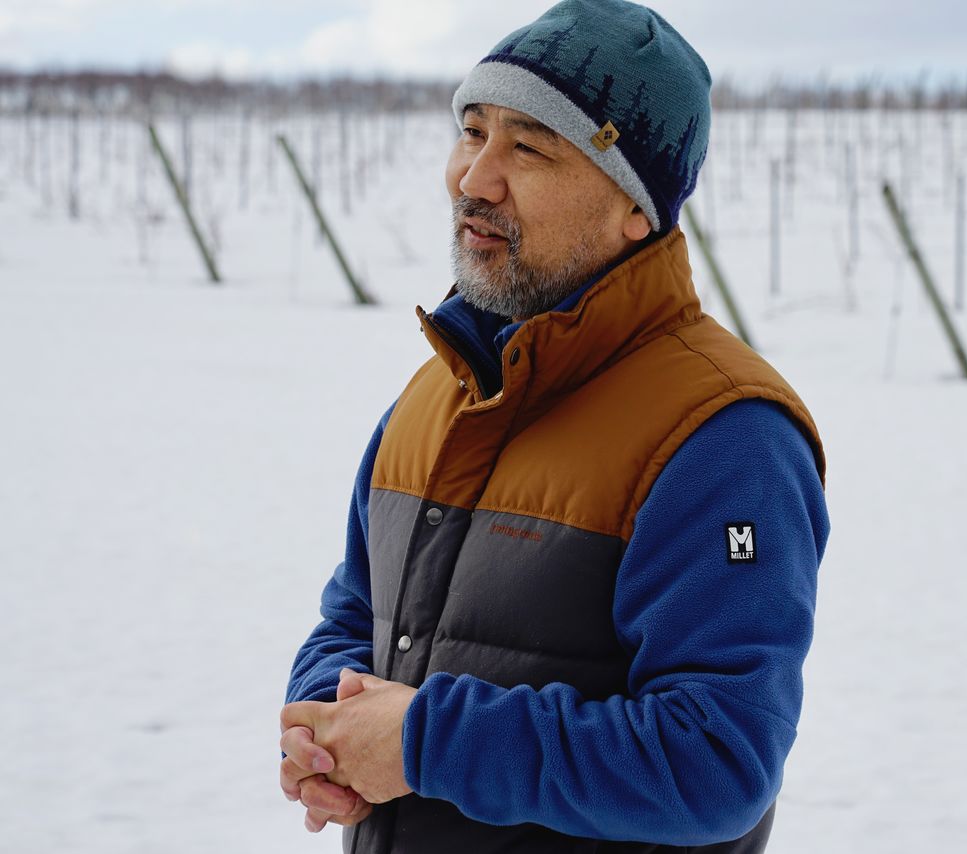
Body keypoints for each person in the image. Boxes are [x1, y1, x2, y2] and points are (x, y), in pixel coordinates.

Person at [279, 1, 829, 851]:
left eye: (529, 147)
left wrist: (426, 743)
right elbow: (358, 612)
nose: (475, 177)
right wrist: (329, 727)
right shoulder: (438, 392)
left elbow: (717, 759)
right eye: (472, 131)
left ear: (635, 207)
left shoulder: (724, 438)